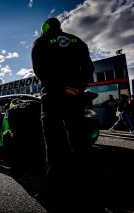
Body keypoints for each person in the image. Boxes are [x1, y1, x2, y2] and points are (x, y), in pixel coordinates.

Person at [31, 17, 95, 210]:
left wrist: (58, 87)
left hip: (52, 96)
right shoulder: (77, 41)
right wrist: (77, 88)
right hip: (75, 97)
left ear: (45, 28)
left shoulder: (41, 42)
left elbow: (39, 70)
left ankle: (55, 189)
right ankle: (86, 186)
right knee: (78, 139)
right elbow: (89, 68)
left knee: (54, 141)